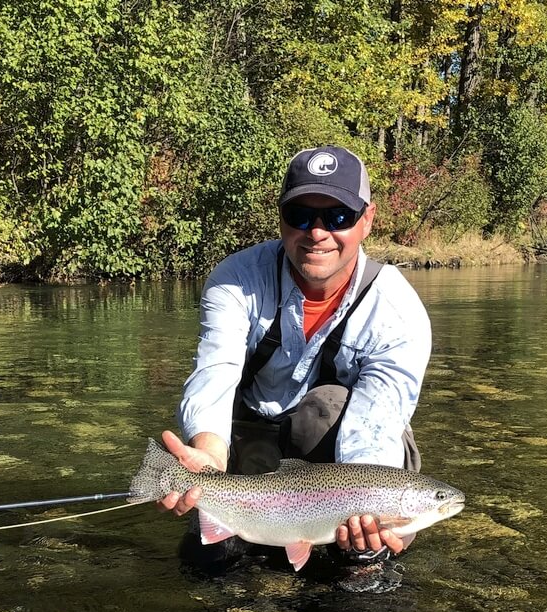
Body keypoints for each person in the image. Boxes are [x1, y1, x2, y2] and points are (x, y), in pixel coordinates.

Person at [157, 145, 432, 581]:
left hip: (341, 456)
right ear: (281, 218)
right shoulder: (236, 279)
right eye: (300, 215)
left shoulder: (397, 309)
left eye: (338, 217)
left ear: (368, 219)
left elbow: (377, 422)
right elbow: (216, 372)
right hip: (253, 453)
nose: (317, 232)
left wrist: (373, 517)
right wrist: (207, 457)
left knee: (362, 567)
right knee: (206, 565)